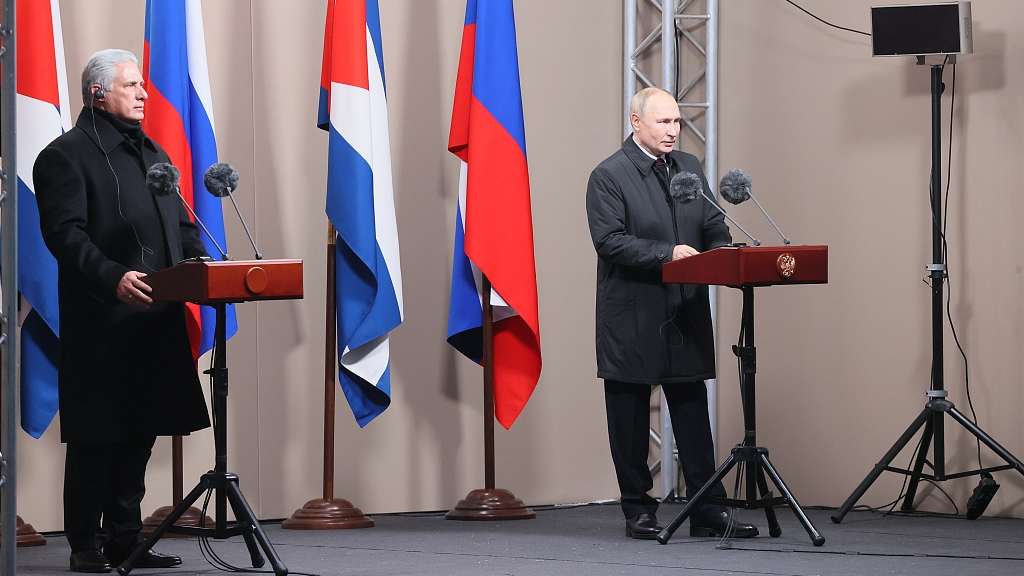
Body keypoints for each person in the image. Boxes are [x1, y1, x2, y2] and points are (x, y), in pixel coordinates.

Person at [33, 49, 211, 573]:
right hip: (102, 320)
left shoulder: (152, 153)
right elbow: (64, 235)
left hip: (155, 319)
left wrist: (198, 265)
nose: (142, 93)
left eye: (142, 85)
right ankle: (86, 544)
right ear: (97, 92)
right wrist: (113, 278)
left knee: (141, 431)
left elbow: (181, 226)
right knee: (97, 436)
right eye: (130, 85)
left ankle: (126, 539)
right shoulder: (64, 155)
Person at [586, 87, 758, 540]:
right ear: (635, 121)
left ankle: (707, 510)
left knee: (691, 411)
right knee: (629, 415)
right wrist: (669, 252)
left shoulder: (690, 169)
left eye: (678, 122)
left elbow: (713, 225)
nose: (673, 130)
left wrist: (724, 253)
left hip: (684, 310)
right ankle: (638, 509)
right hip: (632, 313)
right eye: (663, 122)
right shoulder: (609, 175)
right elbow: (609, 241)